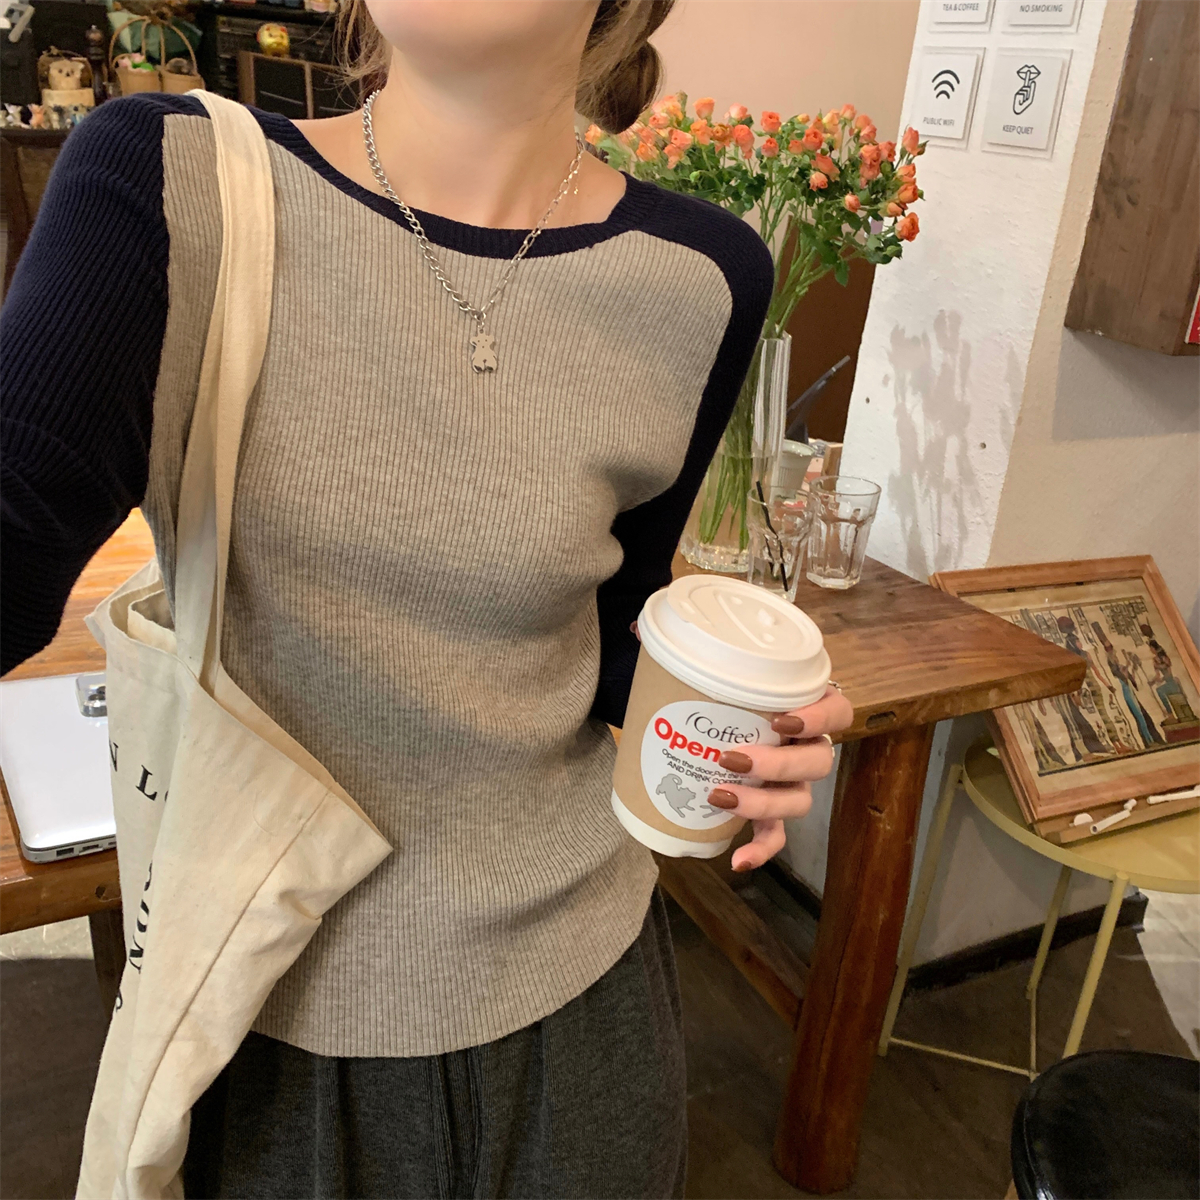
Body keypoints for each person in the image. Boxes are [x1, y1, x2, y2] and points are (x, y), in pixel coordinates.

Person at [1, 2, 853, 1195]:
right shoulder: (171, 182)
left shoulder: (705, 276)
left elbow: (610, 623)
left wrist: (742, 723)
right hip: (277, 1006)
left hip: (591, 1008)